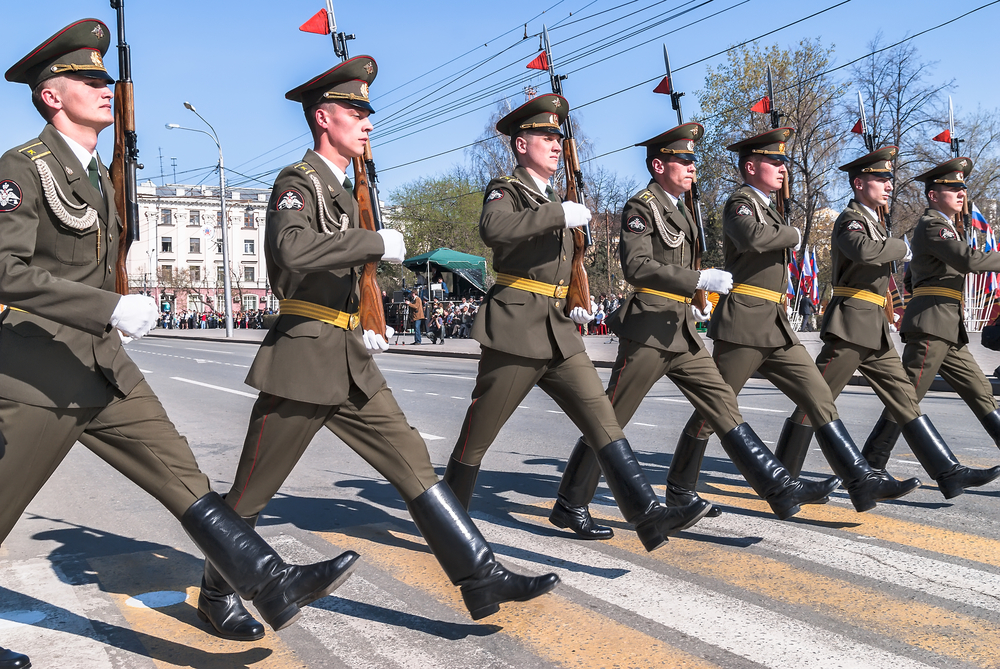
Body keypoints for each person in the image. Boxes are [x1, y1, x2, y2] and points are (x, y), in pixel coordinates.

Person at [0, 20, 359, 665]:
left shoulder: (99, 175)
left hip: (101, 365)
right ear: (52, 95)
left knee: (183, 476)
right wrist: (109, 304)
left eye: (107, 78)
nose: (106, 88)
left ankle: (269, 583)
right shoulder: (21, 169)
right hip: (37, 374)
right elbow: (4, 271)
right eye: (89, 79)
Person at [197, 55, 558, 639]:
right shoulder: (298, 181)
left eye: (369, 112)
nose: (367, 122)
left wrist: (365, 313)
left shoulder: (344, 189)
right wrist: (372, 241)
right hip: (303, 356)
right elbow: (292, 253)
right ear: (323, 118)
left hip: (347, 356)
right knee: (252, 491)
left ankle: (480, 574)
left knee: (412, 461)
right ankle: (216, 594)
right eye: (355, 111)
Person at [443, 95, 710, 553]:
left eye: (557, 136)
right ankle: (450, 530)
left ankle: (647, 515)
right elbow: (494, 230)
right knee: (478, 437)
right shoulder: (505, 190)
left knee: (602, 418)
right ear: (521, 144)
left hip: (559, 332)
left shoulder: (555, 196)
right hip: (516, 327)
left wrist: (574, 298)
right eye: (546, 136)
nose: (555, 143)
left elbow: (565, 265)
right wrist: (558, 214)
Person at [549, 123, 839, 540]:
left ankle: (777, 484)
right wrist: (698, 280)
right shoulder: (641, 208)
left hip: (682, 329)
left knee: (722, 404)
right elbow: (638, 268)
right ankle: (570, 503)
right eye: (684, 161)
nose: (691, 168)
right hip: (649, 328)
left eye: (693, 161)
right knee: (610, 418)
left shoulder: (683, 210)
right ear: (658, 165)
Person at [676, 128, 920, 513]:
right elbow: (754, 239)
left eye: (783, 162)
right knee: (713, 410)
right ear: (751, 166)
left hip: (775, 324)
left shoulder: (771, 208)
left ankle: (860, 479)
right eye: (774, 162)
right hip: (743, 324)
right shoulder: (739, 202)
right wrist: (790, 231)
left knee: (818, 395)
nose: (782, 169)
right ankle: (679, 487)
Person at [773, 148, 1000, 498]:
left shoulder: (877, 223)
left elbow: (897, 279)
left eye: (889, 178)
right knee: (816, 399)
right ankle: (784, 475)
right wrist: (899, 247)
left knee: (905, 397)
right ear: (860, 182)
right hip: (851, 324)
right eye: (881, 178)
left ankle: (944, 471)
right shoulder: (851, 220)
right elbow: (865, 252)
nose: (888, 184)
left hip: (876, 325)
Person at [860, 156, 1000, 487]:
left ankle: (871, 465)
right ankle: (871, 465)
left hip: (946, 325)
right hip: (930, 324)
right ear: (933, 195)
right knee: (907, 396)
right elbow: (967, 260)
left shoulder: (948, 227)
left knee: (980, 392)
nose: (960, 192)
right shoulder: (931, 225)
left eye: (962, 187)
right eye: (952, 187)